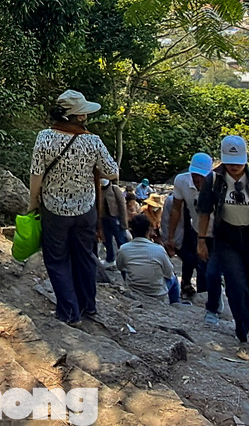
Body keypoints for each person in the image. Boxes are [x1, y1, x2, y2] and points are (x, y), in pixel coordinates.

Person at [28, 90, 119, 325]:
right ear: (77, 116)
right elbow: (112, 172)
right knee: (85, 257)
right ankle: (89, 305)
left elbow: (36, 174)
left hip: (53, 209)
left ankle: (69, 312)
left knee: (57, 260)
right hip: (85, 209)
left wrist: (33, 201)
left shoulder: (44, 137)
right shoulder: (92, 140)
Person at [196, 135, 249, 343]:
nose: (234, 166)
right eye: (230, 161)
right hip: (227, 238)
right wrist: (201, 240)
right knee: (235, 285)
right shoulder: (213, 181)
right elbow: (204, 211)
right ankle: (241, 329)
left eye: (238, 161)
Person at [166, 152, 217, 306]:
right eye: (195, 174)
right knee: (201, 264)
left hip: (219, 231)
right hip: (197, 230)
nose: (198, 179)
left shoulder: (218, 183)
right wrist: (170, 236)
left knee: (214, 269)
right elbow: (176, 209)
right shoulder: (182, 181)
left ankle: (211, 299)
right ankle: (203, 299)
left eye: (202, 175)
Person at [116, 213, 179, 303]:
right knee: (174, 278)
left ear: (131, 230)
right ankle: (175, 303)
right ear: (148, 230)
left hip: (135, 291)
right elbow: (169, 273)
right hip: (157, 293)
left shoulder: (123, 249)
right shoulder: (159, 249)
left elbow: (120, 266)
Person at [97, 177, 129, 265]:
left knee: (121, 240)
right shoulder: (99, 190)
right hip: (104, 219)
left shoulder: (115, 189)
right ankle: (110, 259)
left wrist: (124, 223)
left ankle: (126, 260)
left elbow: (122, 205)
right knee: (107, 241)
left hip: (115, 218)